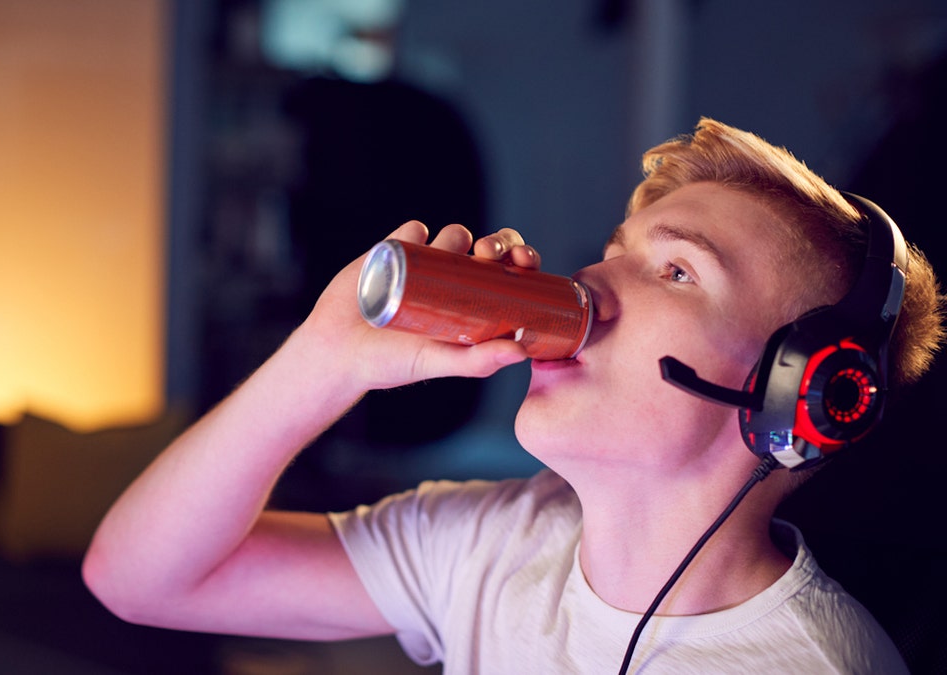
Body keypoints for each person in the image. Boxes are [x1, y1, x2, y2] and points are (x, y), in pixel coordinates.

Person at [82, 118, 944, 672]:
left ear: (794, 392)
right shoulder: (495, 543)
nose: (595, 282)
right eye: (615, 248)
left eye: (676, 271)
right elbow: (139, 579)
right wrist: (322, 357)